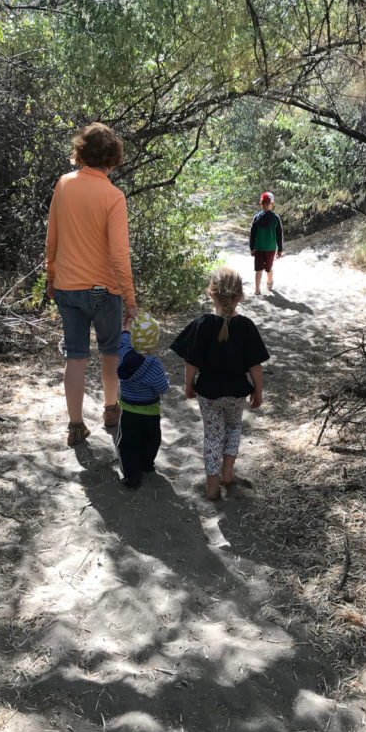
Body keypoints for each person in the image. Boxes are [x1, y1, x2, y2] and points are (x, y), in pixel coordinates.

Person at [45, 122, 139, 446]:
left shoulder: (63, 184)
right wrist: (129, 298)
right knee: (110, 352)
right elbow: (119, 254)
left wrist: (51, 275)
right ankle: (111, 410)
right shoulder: (113, 196)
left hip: (68, 287)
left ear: (81, 152)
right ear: (112, 158)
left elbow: (52, 239)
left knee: (75, 356)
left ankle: (75, 426)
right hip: (104, 291)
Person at [170, 268, 269, 500]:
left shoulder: (202, 323)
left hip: (208, 393)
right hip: (236, 393)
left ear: (211, 294)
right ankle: (227, 475)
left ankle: (212, 487)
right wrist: (258, 390)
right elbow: (255, 365)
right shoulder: (246, 326)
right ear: (239, 297)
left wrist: (188, 385)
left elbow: (191, 361)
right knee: (234, 428)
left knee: (213, 436)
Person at [115, 311, 169, 488]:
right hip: (150, 412)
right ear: (155, 341)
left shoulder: (124, 356)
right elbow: (163, 388)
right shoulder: (154, 365)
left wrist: (126, 328)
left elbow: (123, 341)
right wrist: (165, 378)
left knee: (127, 444)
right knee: (151, 440)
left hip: (129, 412)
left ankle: (131, 475)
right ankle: (147, 464)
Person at [249, 191, 283, 295]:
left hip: (259, 248)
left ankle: (257, 290)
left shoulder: (256, 217)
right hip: (271, 249)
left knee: (258, 269)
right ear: (272, 205)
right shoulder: (276, 218)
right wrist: (280, 249)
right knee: (268, 268)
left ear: (261, 204)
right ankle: (269, 282)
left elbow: (252, 234)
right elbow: (279, 235)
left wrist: (252, 247)